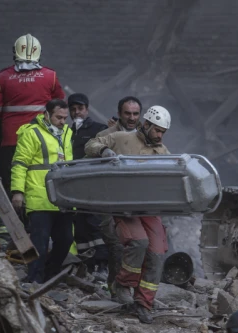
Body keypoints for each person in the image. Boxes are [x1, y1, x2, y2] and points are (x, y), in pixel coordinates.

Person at [84, 105, 171, 324]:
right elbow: (90, 144)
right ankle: (123, 284)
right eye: (157, 130)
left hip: (149, 208)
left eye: (163, 132)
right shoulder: (122, 138)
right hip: (125, 205)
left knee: (158, 252)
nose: (160, 135)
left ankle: (143, 303)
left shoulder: (162, 151)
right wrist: (104, 151)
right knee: (139, 242)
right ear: (147, 124)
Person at [0, 33, 65, 196]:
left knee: (13, 179)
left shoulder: (3, 77)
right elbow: (60, 105)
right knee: (41, 176)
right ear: (39, 53)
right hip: (42, 137)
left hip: (11, 139)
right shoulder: (51, 76)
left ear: (15, 52)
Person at [10, 99, 73, 283]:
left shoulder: (67, 133)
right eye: (58, 117)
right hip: (39, 196)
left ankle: (49, 274)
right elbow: (20, 163)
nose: (62, 121)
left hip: (63, 199)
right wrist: (17, 191)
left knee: (65, 240)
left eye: (65, 118)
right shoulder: (31, 133)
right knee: (40, 242)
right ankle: (34, 279)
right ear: (46, 114)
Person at [96, 96, 142, 297]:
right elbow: (91, 150)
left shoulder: (146, 135)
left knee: (141, 244)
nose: (132, 118)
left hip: (138, 199)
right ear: (119, 113)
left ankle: (137, 291)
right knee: (116, 244)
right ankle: (116, 289)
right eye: (127, 113)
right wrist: (103, 150)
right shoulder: (106, 135)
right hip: (111, 200)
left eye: (135, 114)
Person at [67, 92, 109, 272]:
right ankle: (88, 264)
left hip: (93, 186)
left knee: (95, 224)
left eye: (80, 109)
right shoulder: (67, 132)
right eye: (73, 109)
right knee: (81, 226)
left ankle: (104, 265)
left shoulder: (98, 129)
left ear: (87, 109)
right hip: (73, 186)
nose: (77, 112)